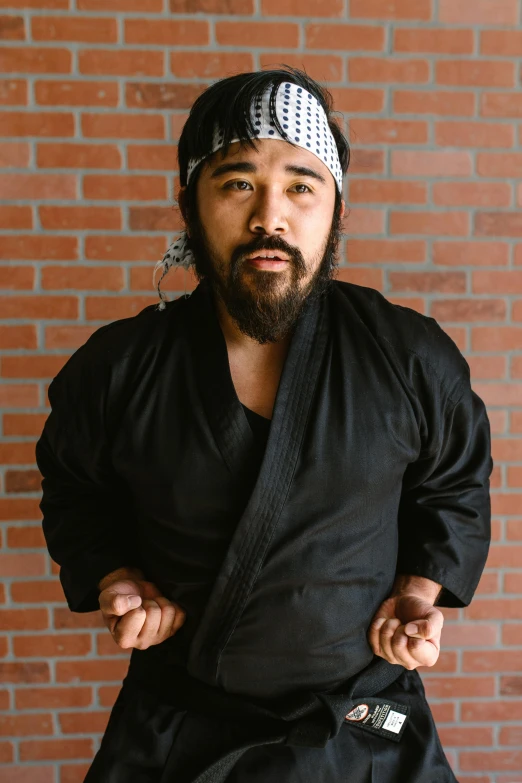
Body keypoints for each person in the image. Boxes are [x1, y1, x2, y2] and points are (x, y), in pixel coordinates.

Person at [35, 66, 493, 783]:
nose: (269, 217)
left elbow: (454, 481)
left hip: (364, 716)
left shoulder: (410, 356)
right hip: (181, 724)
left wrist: (419, 591)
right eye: (237, 182)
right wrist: (115, 575)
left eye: (302, 186)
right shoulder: (117, 369)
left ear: (337, 208)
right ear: (188, 203)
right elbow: (74, 488)